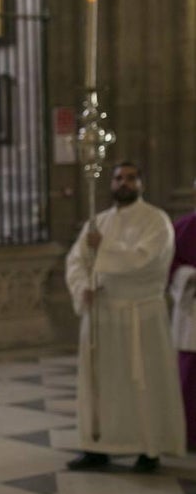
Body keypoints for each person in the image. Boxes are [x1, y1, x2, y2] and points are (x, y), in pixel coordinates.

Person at [64, 162, 187, 471]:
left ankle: (149, 449)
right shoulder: (98, 222)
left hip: (140, 316)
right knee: (101, 384)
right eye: (118, 178)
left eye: (131, 178)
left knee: (144, 384)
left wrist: (104, 248)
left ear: (141, 184)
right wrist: (83, 287)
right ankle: (98, 447)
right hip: (102, 315)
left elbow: (145, 260)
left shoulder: (156, 221)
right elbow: (76, 260)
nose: (124, 183)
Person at [169, 179, 196, 450]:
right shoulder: (183, 227)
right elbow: (169, 264)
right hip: (193, 309)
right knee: (190, 375)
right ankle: (189, 434)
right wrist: (190, 277)